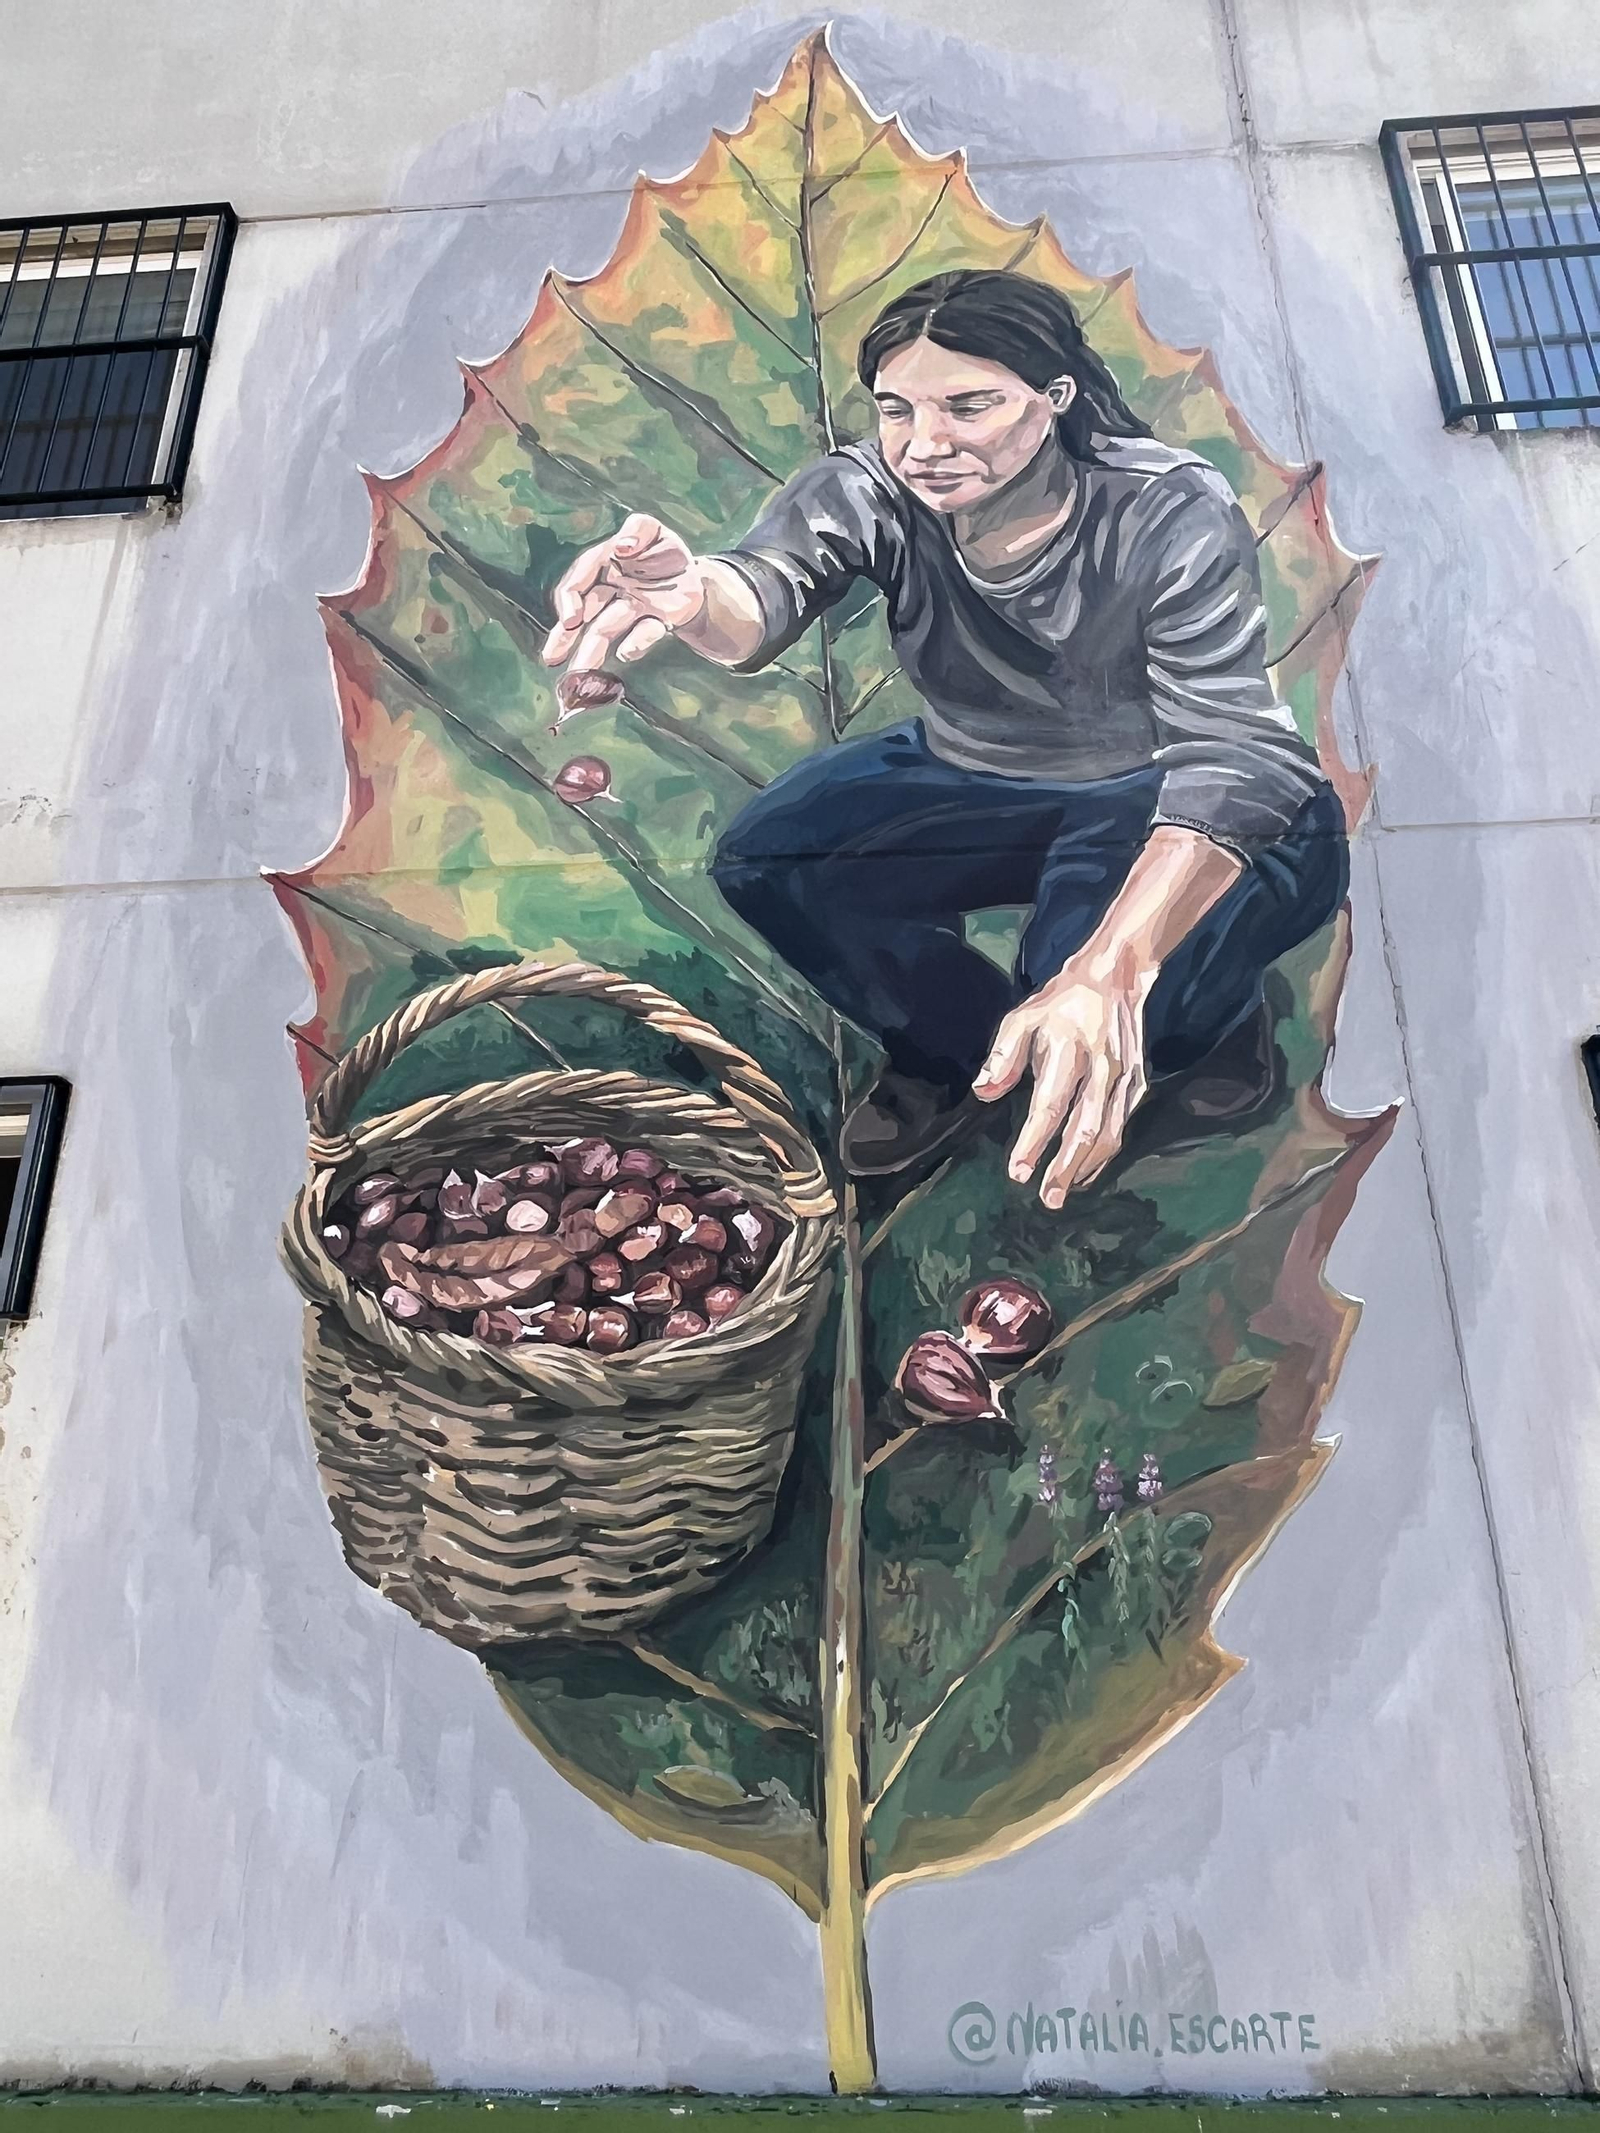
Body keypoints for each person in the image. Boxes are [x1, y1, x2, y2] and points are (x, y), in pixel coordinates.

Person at [542, 269, 1347, 1208]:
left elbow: (1235, 755)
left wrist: (1110, 969)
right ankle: (960, 1054)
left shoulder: (1164, 508)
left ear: (1054, 400)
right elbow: (760, 598)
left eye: (969, 406)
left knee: (1126, 1000)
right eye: (897, 411)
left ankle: (1209, 1028)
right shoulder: (872, 488)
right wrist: (691, 595)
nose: (926, 447)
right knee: (772, 861)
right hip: (978, 772)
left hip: (1177, 794)